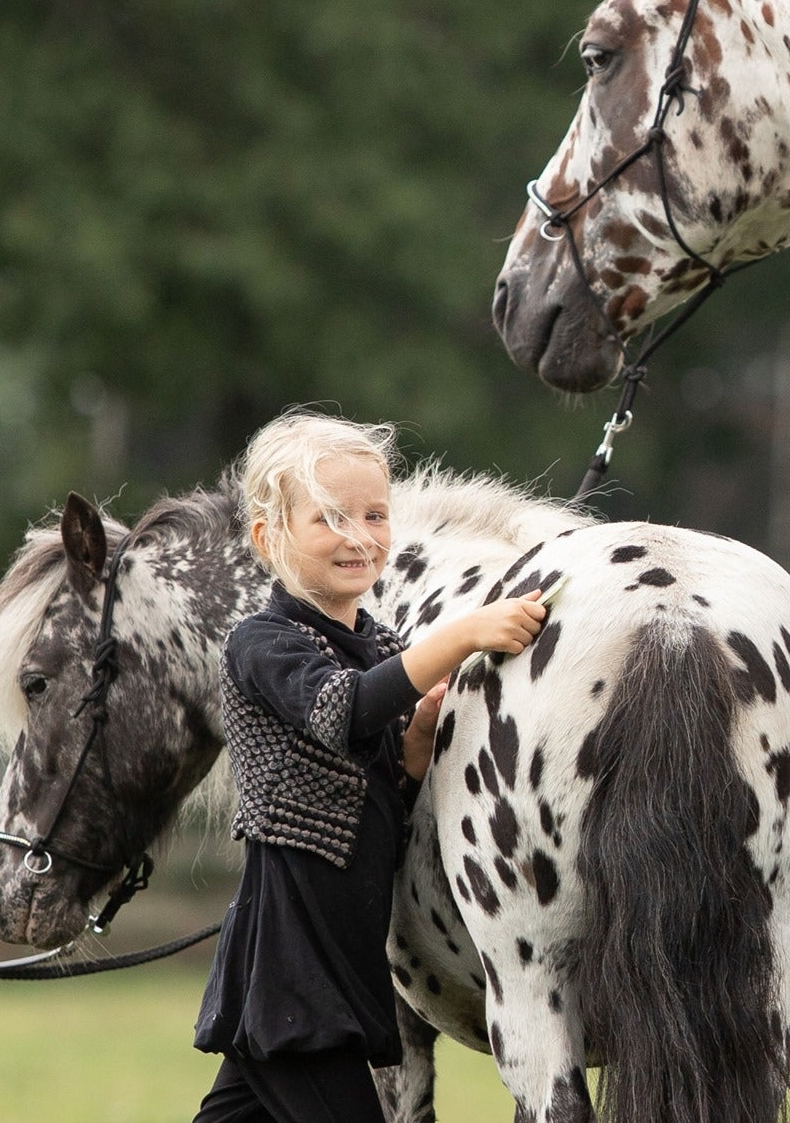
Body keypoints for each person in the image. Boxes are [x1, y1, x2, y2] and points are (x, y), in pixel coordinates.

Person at [190, 412, 547, 1123]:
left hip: (333, 966)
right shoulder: (262, 644)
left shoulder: (376, 643)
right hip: (292, 971)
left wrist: (413, 752)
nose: (359, 536)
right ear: (270, 539)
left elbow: (377, 794)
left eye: (375, 514)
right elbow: (339, 713)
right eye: (329, 518)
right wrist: (463, 634)